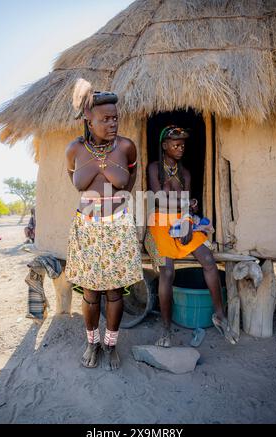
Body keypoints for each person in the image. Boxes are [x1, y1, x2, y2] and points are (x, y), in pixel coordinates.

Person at [65, 79, 143, 370]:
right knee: (90, 292)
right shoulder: (75, 149)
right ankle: (92, 343)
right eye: (105, 119)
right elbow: (71, 177)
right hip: (86, 228)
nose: (113, 124)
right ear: (88, 119)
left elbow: (131, 177)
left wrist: (119, 198)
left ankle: (111, 345)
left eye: (115, 118)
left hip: (117, 228)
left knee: (113, 292)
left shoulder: (125, 146)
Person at [144, 125, 239, 347]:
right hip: (159, 223)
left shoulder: (185, 173)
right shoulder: (154, 168)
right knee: (167, 271)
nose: (181, 147)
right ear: (164, 145)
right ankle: (166, 330)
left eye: (183, 144)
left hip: (181, 221)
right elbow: (158, 199)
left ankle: (220, 315)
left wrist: (187, 221)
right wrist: (187, 203)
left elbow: (186, 206)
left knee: (208, 260)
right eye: (176, 144)